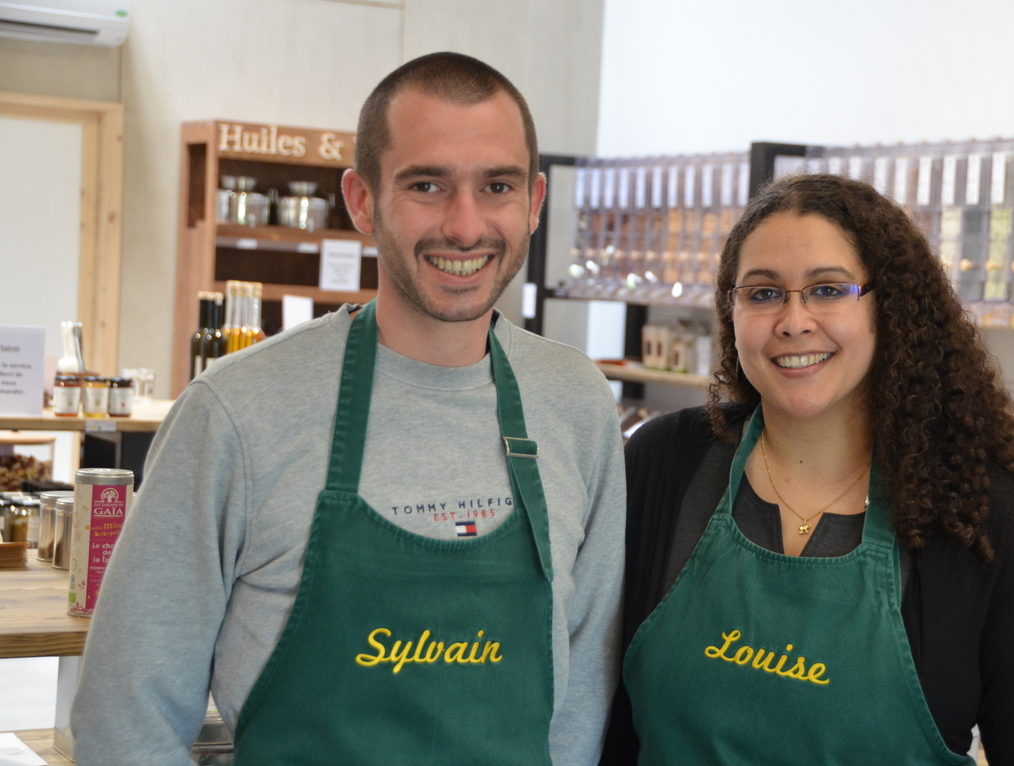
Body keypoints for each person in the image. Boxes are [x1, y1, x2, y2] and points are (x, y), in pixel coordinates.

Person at [71, 52, 626, 766]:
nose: (465, 226)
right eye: (427, 184)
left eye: (497, 186)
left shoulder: (576, 404)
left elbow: (579, 701)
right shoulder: (238, 410)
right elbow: (126, 712)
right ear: (362, 201)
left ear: (535, 203)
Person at [604, 173, 1014, 764]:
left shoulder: (978, 517)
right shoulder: (665, 464)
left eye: (829, 290)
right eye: (763, 292)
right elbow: (608, 728)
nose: (794, 320)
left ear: (893, 308)